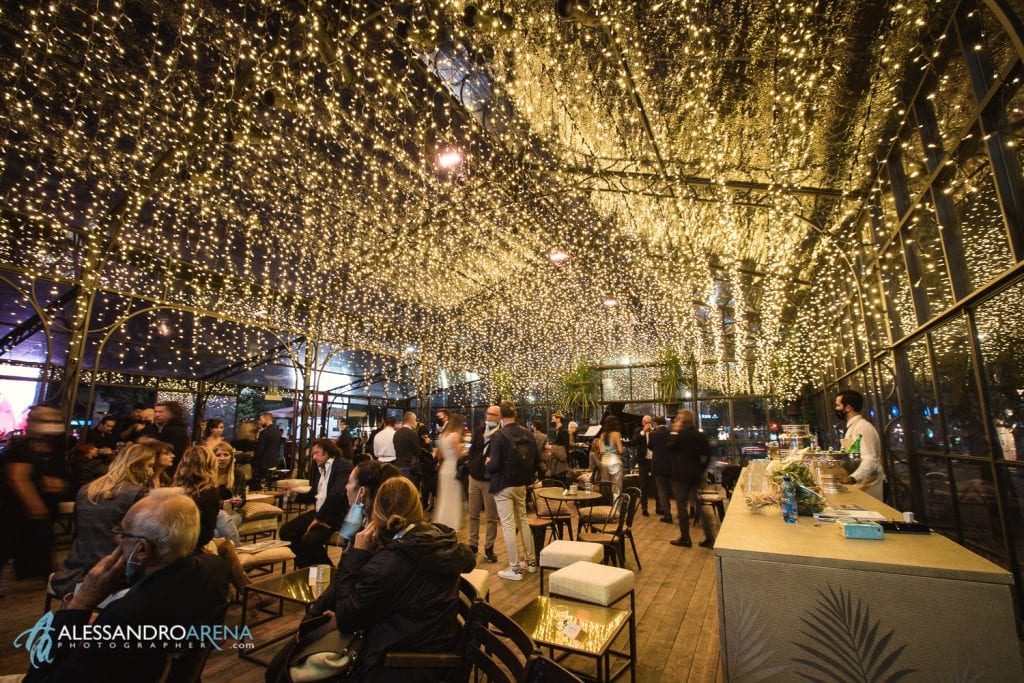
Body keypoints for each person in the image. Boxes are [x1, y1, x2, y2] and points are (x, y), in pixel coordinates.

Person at [24, 493, 230, 682]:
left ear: (142, 549)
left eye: (123, 532)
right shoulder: (217, 567)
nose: (117, 538)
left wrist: (80, 604)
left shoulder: (125, 617)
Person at [307, 476, 475, 680]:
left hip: (399, 662)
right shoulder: (434, 540)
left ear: (377, 510)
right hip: (422, 639)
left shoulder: (390, 561)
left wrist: (357, 554)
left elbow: (346, 619)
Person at [50, 443, 155, 598]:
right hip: (113, 573)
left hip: (72, 570)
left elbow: (79, 531)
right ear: (136, 466)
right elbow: (146, 537)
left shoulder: (87, 489)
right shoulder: (137, 493)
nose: (151, 471)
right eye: (150, 466)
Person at [172, 445, 254, 599]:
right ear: (210, 464)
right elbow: (205, 535)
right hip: (190, 546)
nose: (221, 459)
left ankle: (244, 594)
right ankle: (244, 593)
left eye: (225, 455)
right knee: (222, 532)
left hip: (175, 543)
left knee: (224, 532)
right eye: (218, 456)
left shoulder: (174, 488)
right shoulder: (209, 492)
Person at [0, 405, 68, 579]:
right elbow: (18, 477)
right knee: (9, 542)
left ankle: (41, 576)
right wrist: (35, 505)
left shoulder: (48, 446)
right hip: (18, 508)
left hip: (34, 509)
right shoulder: (21, 448)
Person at [279, 438, 354, 568]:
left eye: (316, 453)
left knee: (309, 540)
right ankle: (307, 569)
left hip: (335, 515)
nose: (313, 457)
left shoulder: (343, 465)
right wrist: (293, 494)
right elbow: (314, 494)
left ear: (326, 452)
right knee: (286, 531)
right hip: (320, 512)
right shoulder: (321, 469)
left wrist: (319, 518)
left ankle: (329, 570)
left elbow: (336, 494)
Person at [486, 401, 539, 580]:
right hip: (521, 485)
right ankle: (531, 562)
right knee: (522, 521)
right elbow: (536, 459)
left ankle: (515, 569)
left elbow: (494, 465)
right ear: (514, 414)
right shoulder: (527, 433)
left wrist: (487, 463)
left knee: (508, 526)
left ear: (501, 416)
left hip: (503, 485)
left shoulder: (499, 436)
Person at [667, 410, 714, 549]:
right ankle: (710, 538)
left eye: (677, 420)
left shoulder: (680, 435)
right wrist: (701, 469)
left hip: (679, 477)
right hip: (696, 475)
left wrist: (674, 432)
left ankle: (685, 538)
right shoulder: (700, 435)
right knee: (701, 506)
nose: (675, 422)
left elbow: (669, 448)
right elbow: (708, 455)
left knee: (682, 508)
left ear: (682, 421)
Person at [462, 405, 501, 563]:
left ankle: (489, 547)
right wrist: (472, 464)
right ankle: (472, 544)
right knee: (473, 514)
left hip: (490, 479)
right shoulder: (479, 429)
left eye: (492, 414)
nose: (488, 416)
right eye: (488, 413)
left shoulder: (500, 434)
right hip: (474, 476)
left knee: (491, 517)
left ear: (499, 417)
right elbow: (473, 450)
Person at [836, 390, 885, 500]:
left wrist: (853, 478)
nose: (836, 409)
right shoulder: (853, 427)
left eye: (838, 405)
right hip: (859, 484)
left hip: (869, 485)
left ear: (848, 408)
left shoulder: (863, 427)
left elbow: (870, 459)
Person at [433, 413, 465, 530]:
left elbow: (440, 454)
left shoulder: (444, 435)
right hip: (453, 468)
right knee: (452, 496)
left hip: (444, 467)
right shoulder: (456, 436)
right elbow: (458, 454)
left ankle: (441, 520)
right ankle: (451, 523)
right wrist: (465, 450)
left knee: (444, 495)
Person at [650, 415, 674, 524]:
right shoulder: (671, 433)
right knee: (671, 489)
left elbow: (650, 447)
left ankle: (667, 514)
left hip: (658, 465)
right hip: (670, 465)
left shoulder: (653, 434)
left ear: (655, 423)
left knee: (661, 490)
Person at [632, 415, 656, 516]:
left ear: (652, 423)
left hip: (654, 461)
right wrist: (643, 432)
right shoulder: (638, 431)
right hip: (643, 461)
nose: (647, 424)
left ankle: (659, 507)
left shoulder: (655, 432)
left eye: (649, 422)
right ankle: (644, 508)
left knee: (656, 484)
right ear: (642, 423)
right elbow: (633, 441)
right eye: (646, 422)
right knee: (644, 485)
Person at [595, 415, 625, 495]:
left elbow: (601, 451)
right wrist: (624, 448)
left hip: (604, 462)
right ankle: (616, 507)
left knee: (605, 487)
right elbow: (620, 450)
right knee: (616, 488)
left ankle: (606, 506)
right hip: (614, 461)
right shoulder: (617, 434)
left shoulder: (602, 435)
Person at [253, 412, 282, 487]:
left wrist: (254, 460)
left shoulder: (265, 432)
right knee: (269, 483)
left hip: (264, 463)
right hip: (274, 461)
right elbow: (278, 447)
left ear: (266, 419)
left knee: (262, 484)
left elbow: (260, 449)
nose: (260, 422)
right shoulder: (278, 431)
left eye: (261, 419)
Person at [393, 412, 422, 488]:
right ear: (411, 420)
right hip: (409, 467)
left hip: (398, 465)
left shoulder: (397, 433)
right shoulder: (412, 433)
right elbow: (418, 451)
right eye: (415, 420)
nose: (416, 422)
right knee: (409, 491)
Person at [548, 412, 570, 486]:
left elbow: (565, 446)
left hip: (561, 461)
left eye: (553, 419)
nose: (552, 421)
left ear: (558, 419)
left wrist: (552, 447)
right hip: (557, 459)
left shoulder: (563, 431)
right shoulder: (558, 431)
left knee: (560, 482)